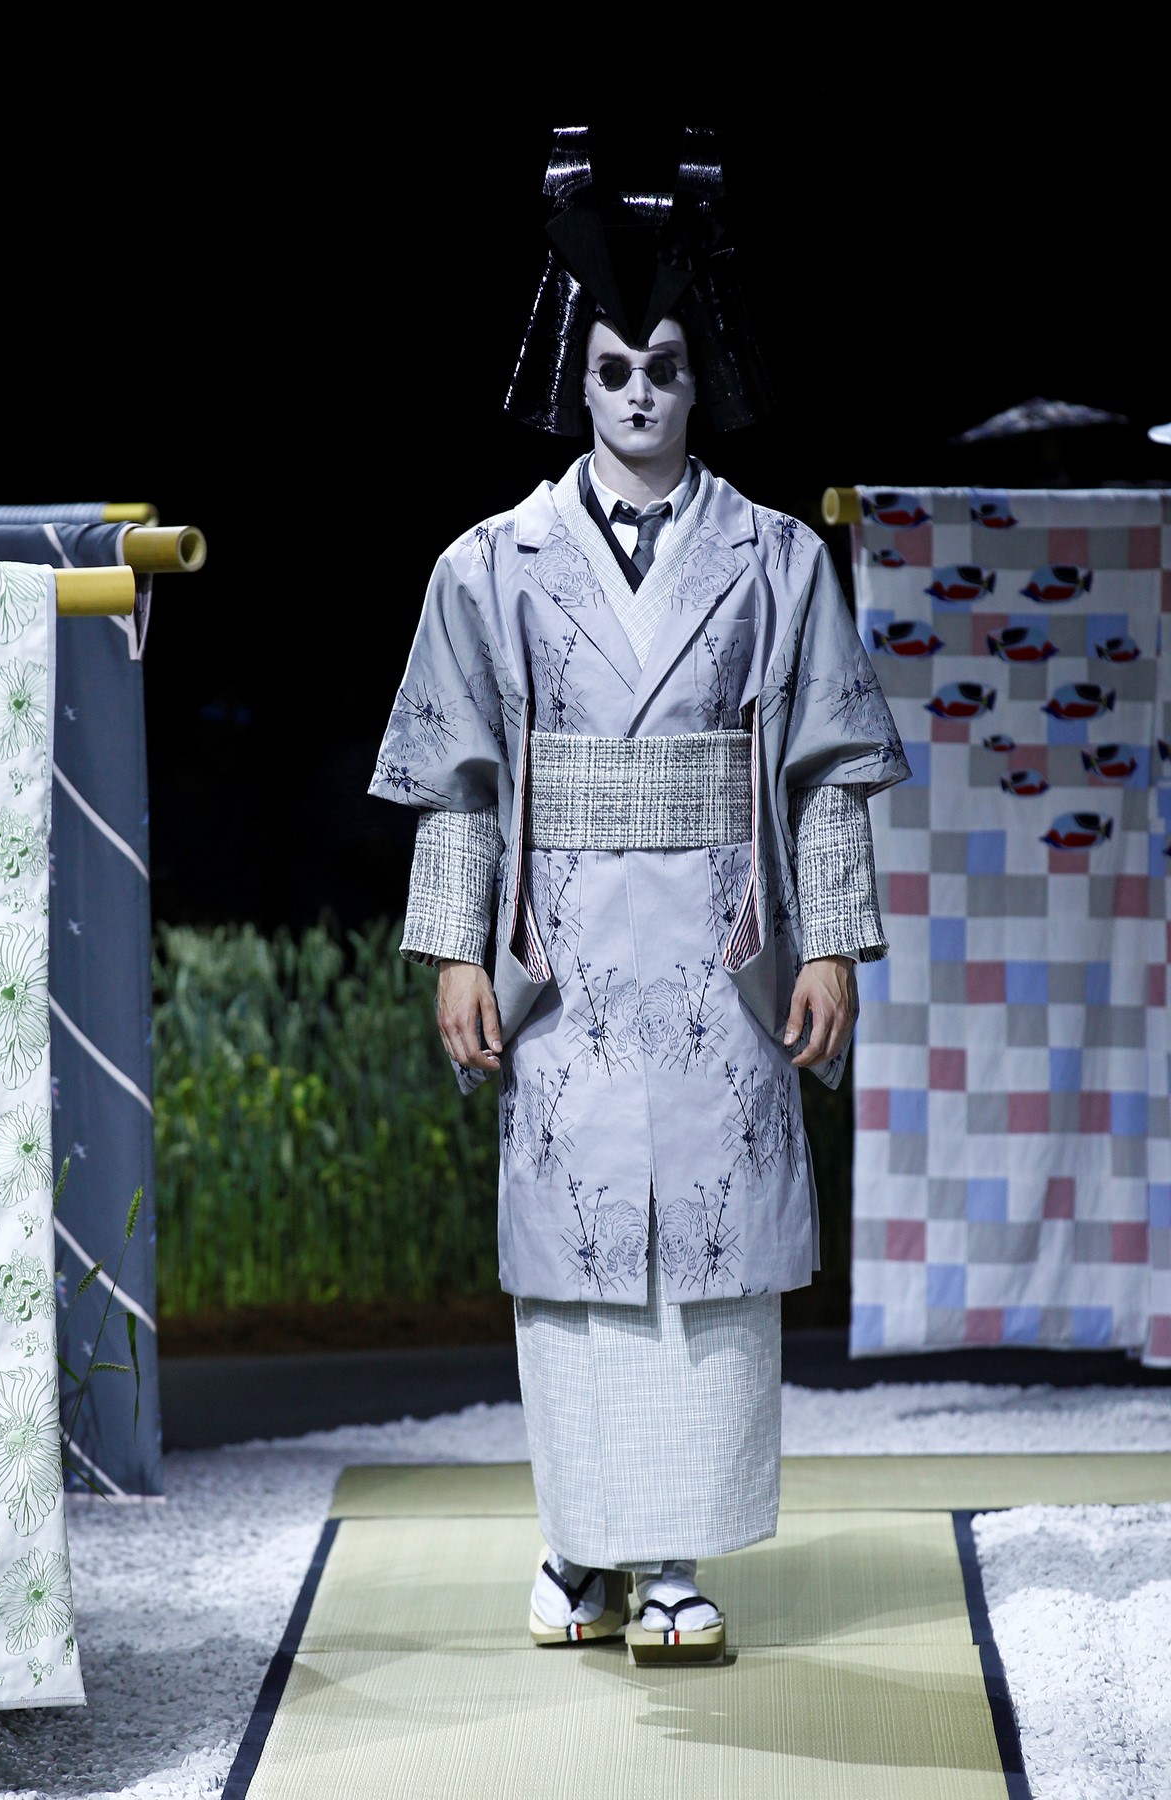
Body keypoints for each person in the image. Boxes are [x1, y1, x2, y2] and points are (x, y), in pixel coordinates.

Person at [368, 125, 910, 1663]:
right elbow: (464, 779)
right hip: (561, 950)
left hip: (728, 942)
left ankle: (672, 1557)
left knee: (711, 1261)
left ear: (698, 373)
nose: (639, 397)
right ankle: (577, 1544)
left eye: (664, 368)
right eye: (613, 370)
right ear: (578, 375)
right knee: (578, 1247)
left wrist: (833, 944)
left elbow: (824, 771)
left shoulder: (779, 559)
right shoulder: (490, 564)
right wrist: (454, 953)